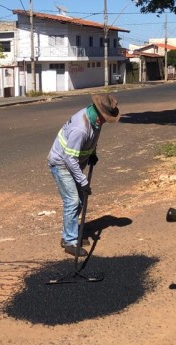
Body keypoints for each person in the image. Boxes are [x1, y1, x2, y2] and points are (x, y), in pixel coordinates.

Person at [48, 94, 120, 257]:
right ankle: (70, 242)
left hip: (74, 164)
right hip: (62, 164)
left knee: (80, 200)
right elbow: (69, 158)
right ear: (100, 113)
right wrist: (83, 181)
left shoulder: (95, 120)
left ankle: (70, 234)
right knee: (72, 200)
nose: (106, 121)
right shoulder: (81, 127)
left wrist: (93, 152)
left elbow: (92, 139)